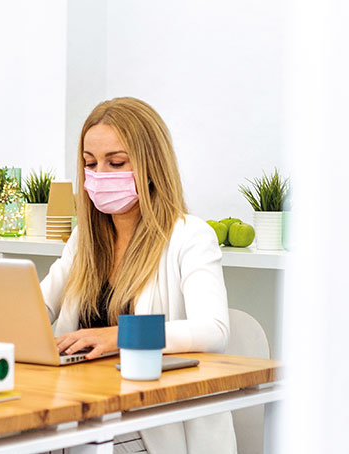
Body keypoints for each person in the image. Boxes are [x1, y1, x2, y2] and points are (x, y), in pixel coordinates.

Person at [39, 97, 234, 453]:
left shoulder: (189, 235)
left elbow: (214, 330)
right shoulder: (85, 238)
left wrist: (118, 336)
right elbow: (34, 307)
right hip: (80, 410)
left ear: (150, 165)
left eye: (116, 163)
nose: (99, 175)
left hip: (146, 423)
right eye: (90, 163)